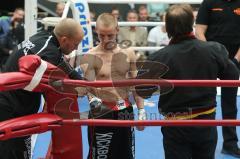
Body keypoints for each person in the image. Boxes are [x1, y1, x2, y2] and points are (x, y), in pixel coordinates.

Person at [136, 4, 238, 159]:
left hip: (175, 126)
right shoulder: (213, 50)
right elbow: (232, 75)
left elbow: (142, 90)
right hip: (206, 123)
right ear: (192, 23)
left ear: (168, 28)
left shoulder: (159, 58)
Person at [0, 18, 85, 159]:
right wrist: (79, 88)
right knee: (14, 153)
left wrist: (82, 82)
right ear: (64, 40)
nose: (76, 48)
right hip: (12, 108)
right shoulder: (49, 53)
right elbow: (62, 88)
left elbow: (63, 65)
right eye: (75, 44)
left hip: (14, 103)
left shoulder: (43, 37)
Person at [79, 13, 146, 159]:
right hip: (100, 111)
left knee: (126, 155)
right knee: (100, 155)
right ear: (96, 30)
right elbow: (88, 86)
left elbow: (136, 84)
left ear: (117, 30)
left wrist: (141, 111)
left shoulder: (128, 53)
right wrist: (93, 100)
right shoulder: (90, 56)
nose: (105, 40)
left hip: (124, 111)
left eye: (110, 35)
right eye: (101, 35)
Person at [195, 0, 240, 157]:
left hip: (234, 59)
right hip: (210, 59)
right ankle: (203, 141)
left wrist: (235, 60)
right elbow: (199, 31)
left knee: (230, 103)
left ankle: (230, 143)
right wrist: (210, 54)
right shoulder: (209, 2)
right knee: (205, 100)